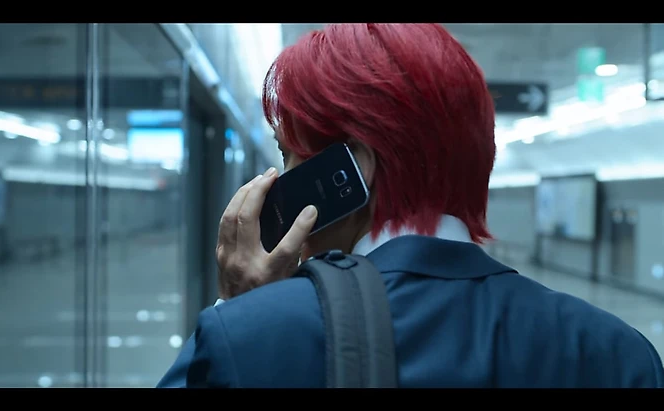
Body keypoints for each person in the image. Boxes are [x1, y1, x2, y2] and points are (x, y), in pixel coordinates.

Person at [157, 23, 664, 388]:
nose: (276, 182)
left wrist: (240, 308)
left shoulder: (254, 334)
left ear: (353, 168)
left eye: (288, 155)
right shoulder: (616, 349)